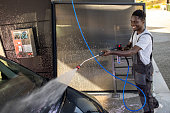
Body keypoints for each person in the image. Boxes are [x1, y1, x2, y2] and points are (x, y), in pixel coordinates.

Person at [101, 10, 158, 113]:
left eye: (136, 22)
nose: (133, 24)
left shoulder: (146, 37)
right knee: (142, 91)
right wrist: (122, 48)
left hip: (145, 69)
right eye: (131, 21)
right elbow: (129, 46)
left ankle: (150, 110)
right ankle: (154, 103)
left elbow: (132, 51)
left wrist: (111, 53)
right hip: (137, 68)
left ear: (143, 21)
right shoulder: (135, 33)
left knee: (145, 94)